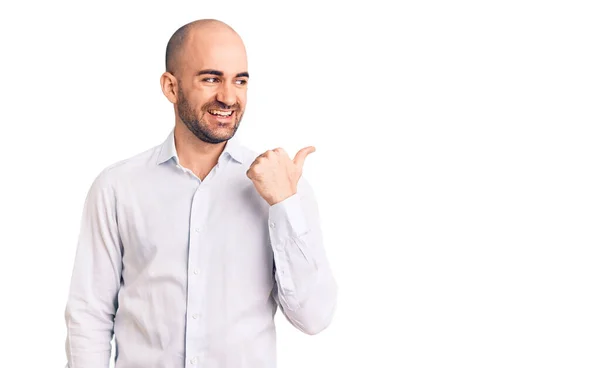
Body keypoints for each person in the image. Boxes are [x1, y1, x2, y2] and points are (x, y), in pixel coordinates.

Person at [63, 18, 337, 368]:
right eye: (211, 79)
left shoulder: (283, 185)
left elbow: (313, 317)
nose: (228, 96)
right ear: (171, 87)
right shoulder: (117, 187)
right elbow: (89, 315)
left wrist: (285, 204)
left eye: (240, 80)